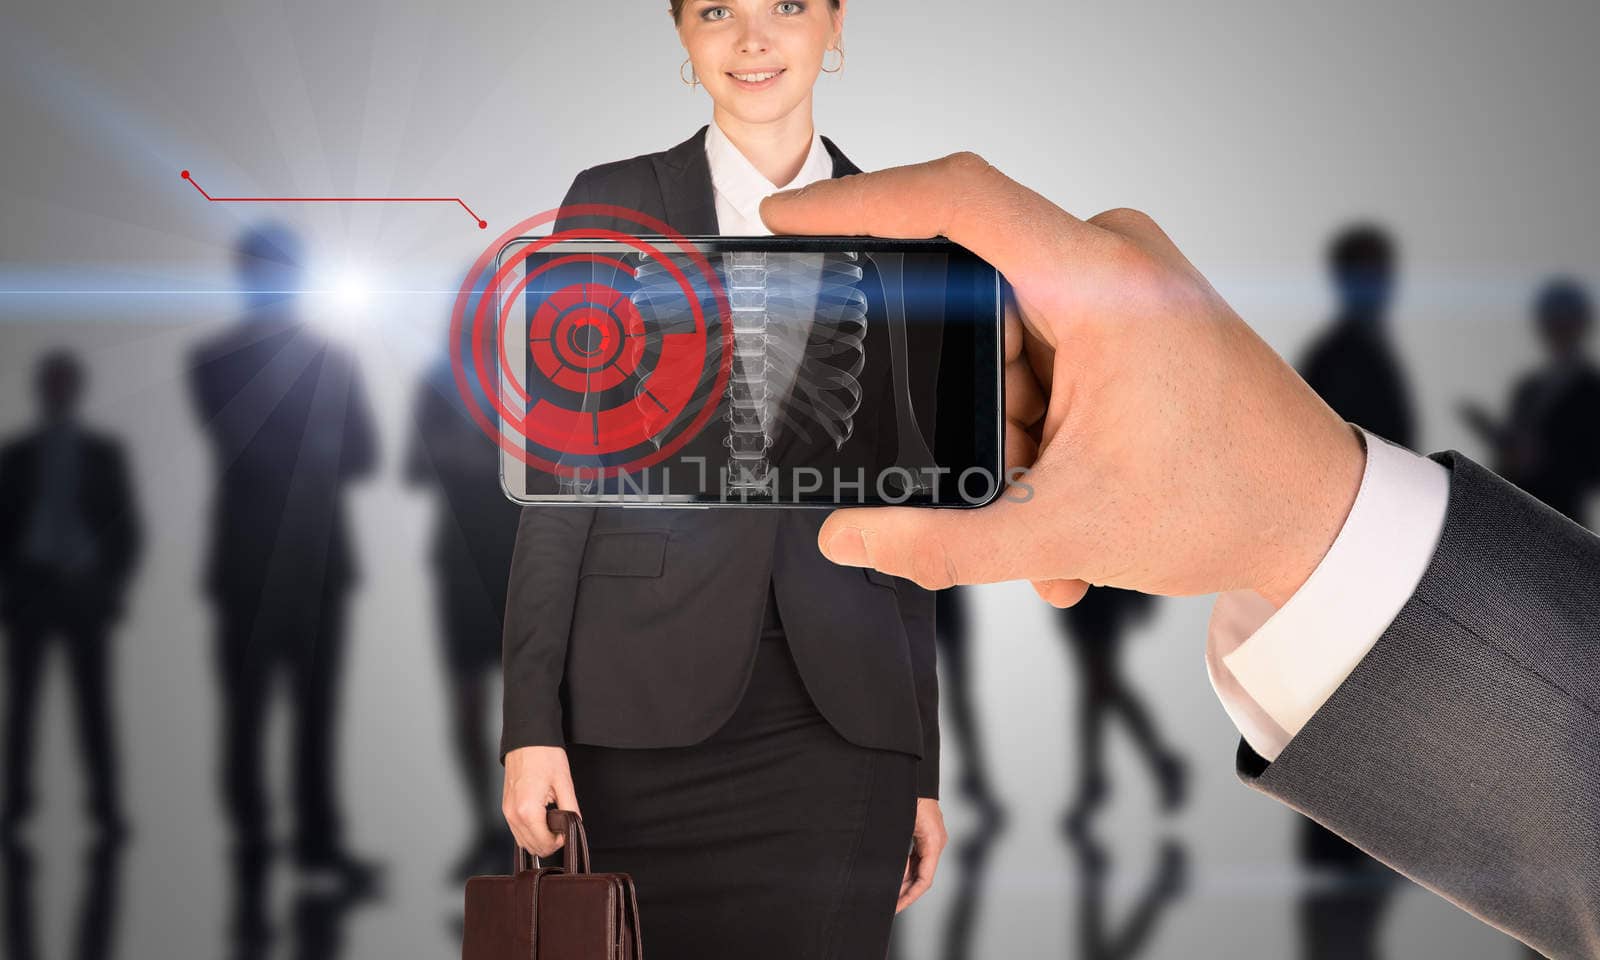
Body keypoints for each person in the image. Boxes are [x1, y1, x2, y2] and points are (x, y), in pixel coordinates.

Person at [760, 153, 1600, 957]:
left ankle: (1128, 772)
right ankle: (1131, 771)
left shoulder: (1367, 357)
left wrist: (1304, 513)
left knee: (1097, 674)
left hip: (1150, 542)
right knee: (1096, 673)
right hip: (1164, 543)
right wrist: (1310, 515)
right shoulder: (1356, 353)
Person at [500, 3, 944, 959]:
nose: (753, 38)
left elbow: (907, 506)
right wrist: (529, 727)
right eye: (716, 10)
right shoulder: (613, 201)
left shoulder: (906, 225)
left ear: (834, 24)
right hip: (639, 712)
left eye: (787, 4)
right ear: (682, 35)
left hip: (845, 721)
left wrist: (925, 769)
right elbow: (559, 479)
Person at [188, 224, 382, 948]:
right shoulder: (213, 361)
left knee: (314, 718)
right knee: (245, 717)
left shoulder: (329, 358)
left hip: (318, 567)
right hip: (251, 568)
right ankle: (252, 849)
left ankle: (315, 845)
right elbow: (249, 448)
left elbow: (362, 453)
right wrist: (314, 443)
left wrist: (305, 445)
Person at [0, 352, 141, 845]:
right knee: (22, 708)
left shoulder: (105, 453)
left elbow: (127, 529)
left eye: (65, 383)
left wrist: (113, 587)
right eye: (51, 383)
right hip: (31, 587)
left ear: (76, 390)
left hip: (85, 590)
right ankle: (14, 808)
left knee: (94, 709)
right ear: (40, 390)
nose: (57, 392)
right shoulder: (15, 455)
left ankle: (106, 811)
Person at [1460, 277, 1600, 525]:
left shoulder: (1592, 391)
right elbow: (1509, 461)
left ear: (1580, 324)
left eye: (1566, 320)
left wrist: (1546, 459)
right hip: (1520, 517)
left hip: (1566, 522)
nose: (1559, 328)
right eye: (1554, 319)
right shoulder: (1528, 388)